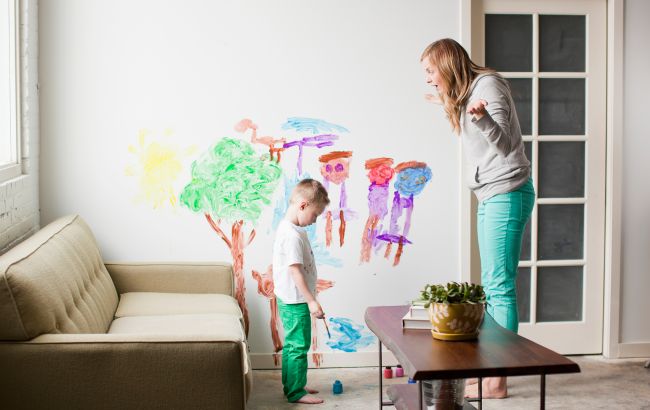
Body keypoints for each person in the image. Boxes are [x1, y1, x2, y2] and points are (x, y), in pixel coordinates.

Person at [420, 38, 535, 399]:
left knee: (500, 287)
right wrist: (447, 102)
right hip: (491, 194)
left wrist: (482, 117)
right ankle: (490, 372)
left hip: (508, 192)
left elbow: (505, 145)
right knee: (492, 286)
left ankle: (497, 381)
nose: (428, 78)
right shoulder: (468, 93)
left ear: (447, 64)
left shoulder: (489, 86)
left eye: (431, 71)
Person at [272, 178, 330, 404]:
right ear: (303, 205)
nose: (315, 220)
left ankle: (293, 385)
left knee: (292, 344)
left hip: (289, 298)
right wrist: (311, 301)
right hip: (296, 300)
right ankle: (296, 392)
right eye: (315, 215)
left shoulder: (290, 229)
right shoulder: (292, 236)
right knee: (299, 345)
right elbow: (295, 271)